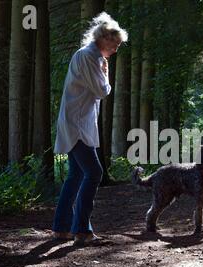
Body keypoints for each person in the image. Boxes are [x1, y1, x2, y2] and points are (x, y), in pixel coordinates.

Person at [52, 12, 128, 246]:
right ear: (103, 38)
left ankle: (62, 228)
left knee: (76, 175)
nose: (115, 49)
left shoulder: (90, 57)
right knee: (94, 173)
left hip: (78, 123)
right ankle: (82, 230)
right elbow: (102, 91)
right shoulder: (88, 57)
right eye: (114, 44)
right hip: (76, 125)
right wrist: (106, 75)